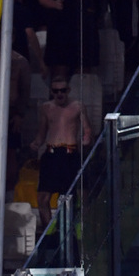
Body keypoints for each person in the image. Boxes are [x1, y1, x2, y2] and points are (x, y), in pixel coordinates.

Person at [32, 76, 92, 229]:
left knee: (74, 195)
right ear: (52, 92)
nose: (59, 94)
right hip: (51, 154)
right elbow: (42, 131)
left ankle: (76, 229)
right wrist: (36, 143)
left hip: (69, 154)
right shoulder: (46, 108)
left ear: (68, 91)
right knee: (43, 198)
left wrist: (86, 139)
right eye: (56, 91)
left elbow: (87, 129)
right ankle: (49, 233)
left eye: (63, 91)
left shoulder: (77, 106)